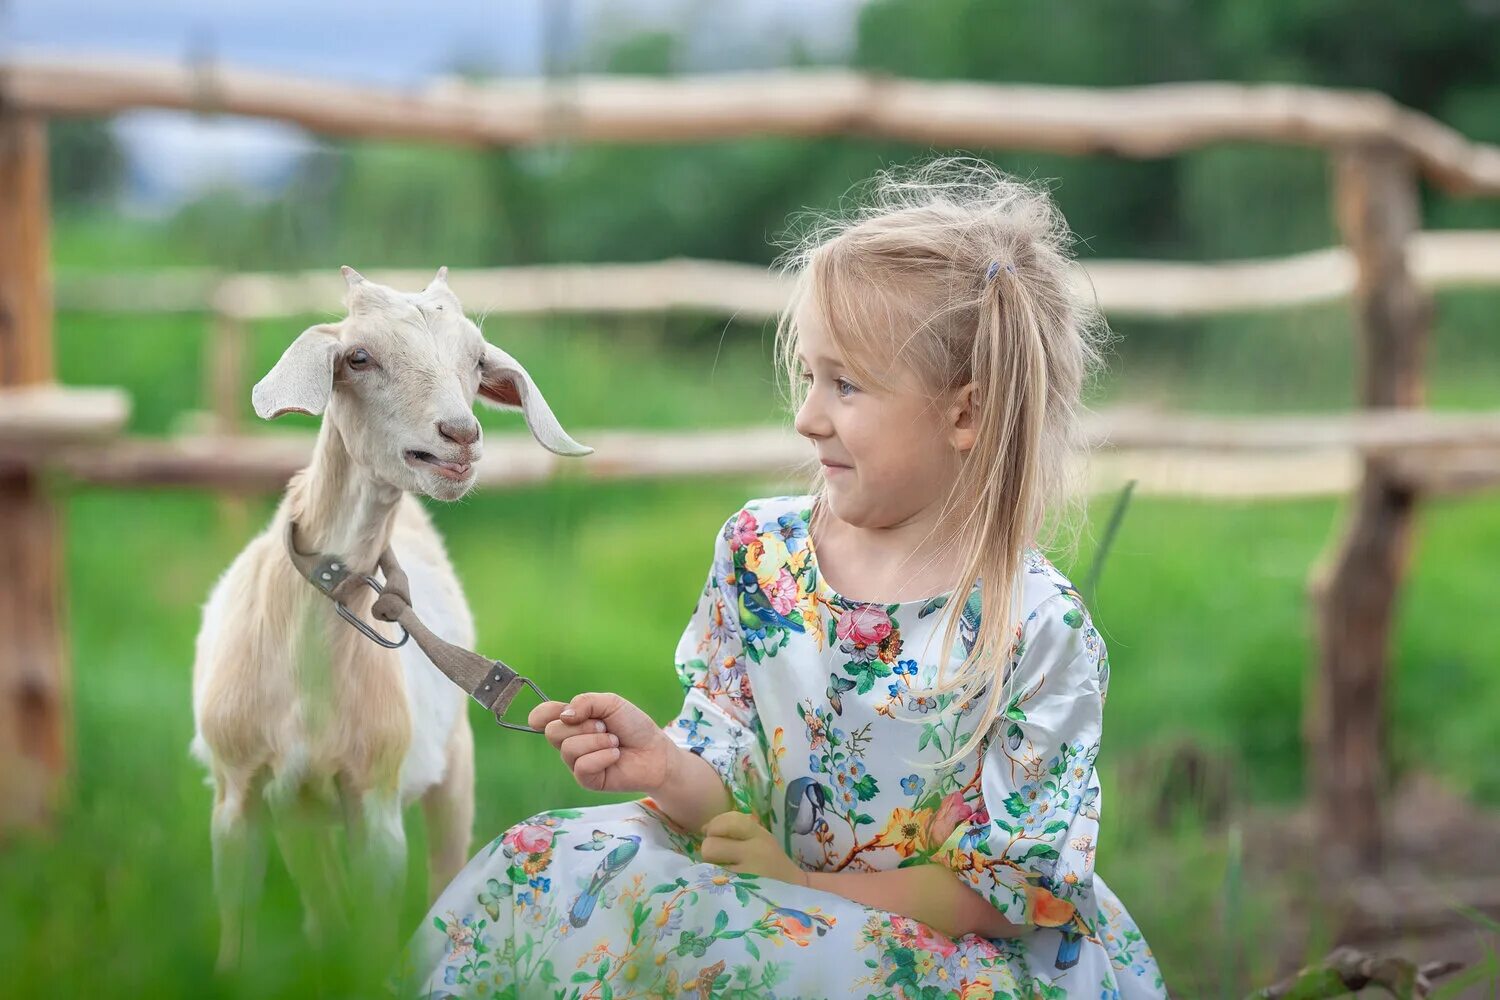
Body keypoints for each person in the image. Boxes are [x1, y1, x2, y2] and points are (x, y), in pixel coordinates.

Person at [401, 157, 1169, 998]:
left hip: (947, 947)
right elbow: (733, 788)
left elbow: (1014, 893)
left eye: (846, 385)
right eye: (809, 376)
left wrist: (803, 888)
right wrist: (663, 766)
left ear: (967, 413)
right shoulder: (762, 554)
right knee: (560, 864)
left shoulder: (1036, 625)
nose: (806, 417)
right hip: (780, 887)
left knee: (756, 950)